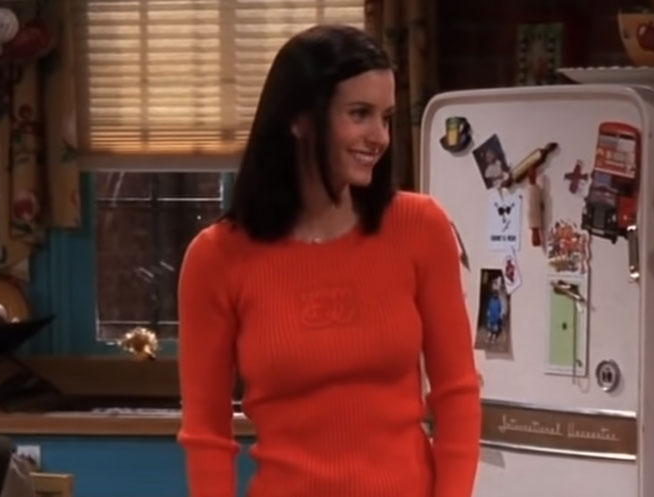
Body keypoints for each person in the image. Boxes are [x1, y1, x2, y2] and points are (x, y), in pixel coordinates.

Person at [177, 23, 481, 497]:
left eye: (386, 117)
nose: (379, 137)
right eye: (359, 114)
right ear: (299, 119)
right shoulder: (217, 258)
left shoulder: (421, 228)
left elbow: (457, 393)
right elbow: (207, 435)